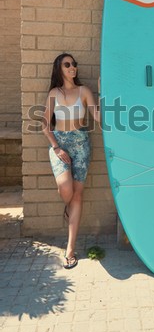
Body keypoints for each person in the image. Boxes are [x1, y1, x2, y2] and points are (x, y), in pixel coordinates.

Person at [42, 53, 100, 269]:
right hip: (60, 145)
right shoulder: (53, 93)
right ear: (59, 68)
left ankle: (70, 250)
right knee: (66, 191)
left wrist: (103, 93)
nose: (72, 67)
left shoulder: (84, 91)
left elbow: (97, 117)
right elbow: (44, 125)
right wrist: (56, 147)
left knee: (77, 194)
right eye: (67, 64)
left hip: (81, 143)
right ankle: (68, 208)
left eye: (74, 64)